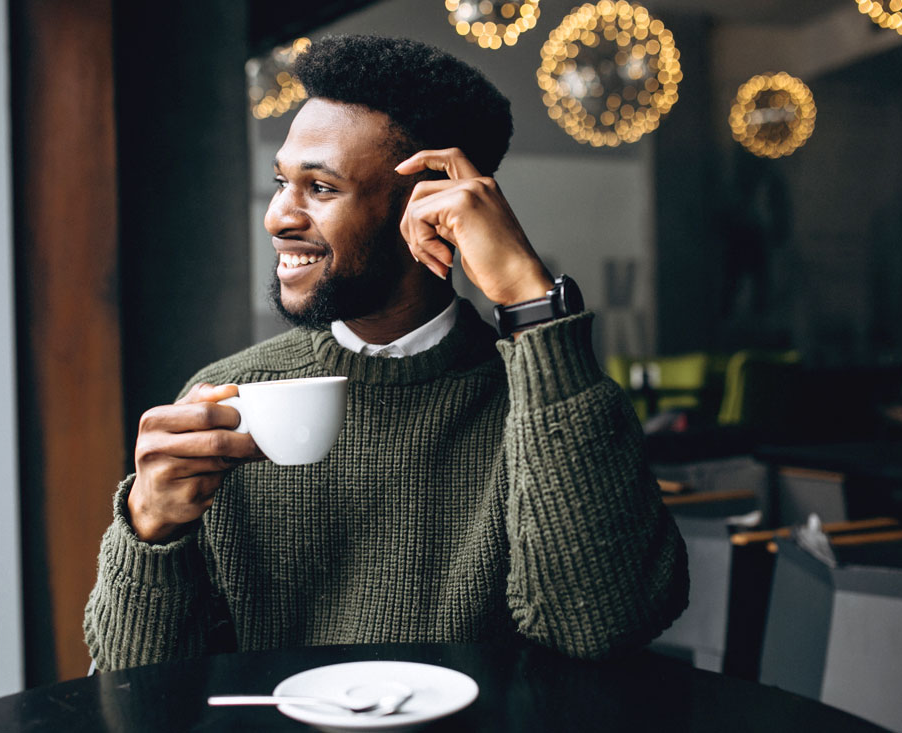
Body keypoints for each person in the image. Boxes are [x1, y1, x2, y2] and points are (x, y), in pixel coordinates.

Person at [84, 34, 688, 671]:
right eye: (281, 182)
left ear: (427, 204)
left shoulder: (546, 398)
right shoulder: (227, 397)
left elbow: (603, 625)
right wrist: (150, 528)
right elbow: (131, 688)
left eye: (320, 188)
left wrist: (529, 299)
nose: (277, 217)